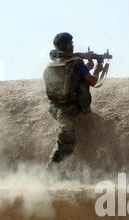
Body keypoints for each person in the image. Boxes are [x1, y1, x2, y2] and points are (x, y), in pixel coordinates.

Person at [43, 32, 104, 168]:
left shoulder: (50, 66)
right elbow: (93, 82)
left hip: (54, 107)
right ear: (68, 45)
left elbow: (67, 78)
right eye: (71, 43)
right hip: (70, 108)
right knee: (67, 139)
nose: (73, 45)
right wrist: (97, 70)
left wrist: (84, 69)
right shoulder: (76, 63)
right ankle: (51, 169)